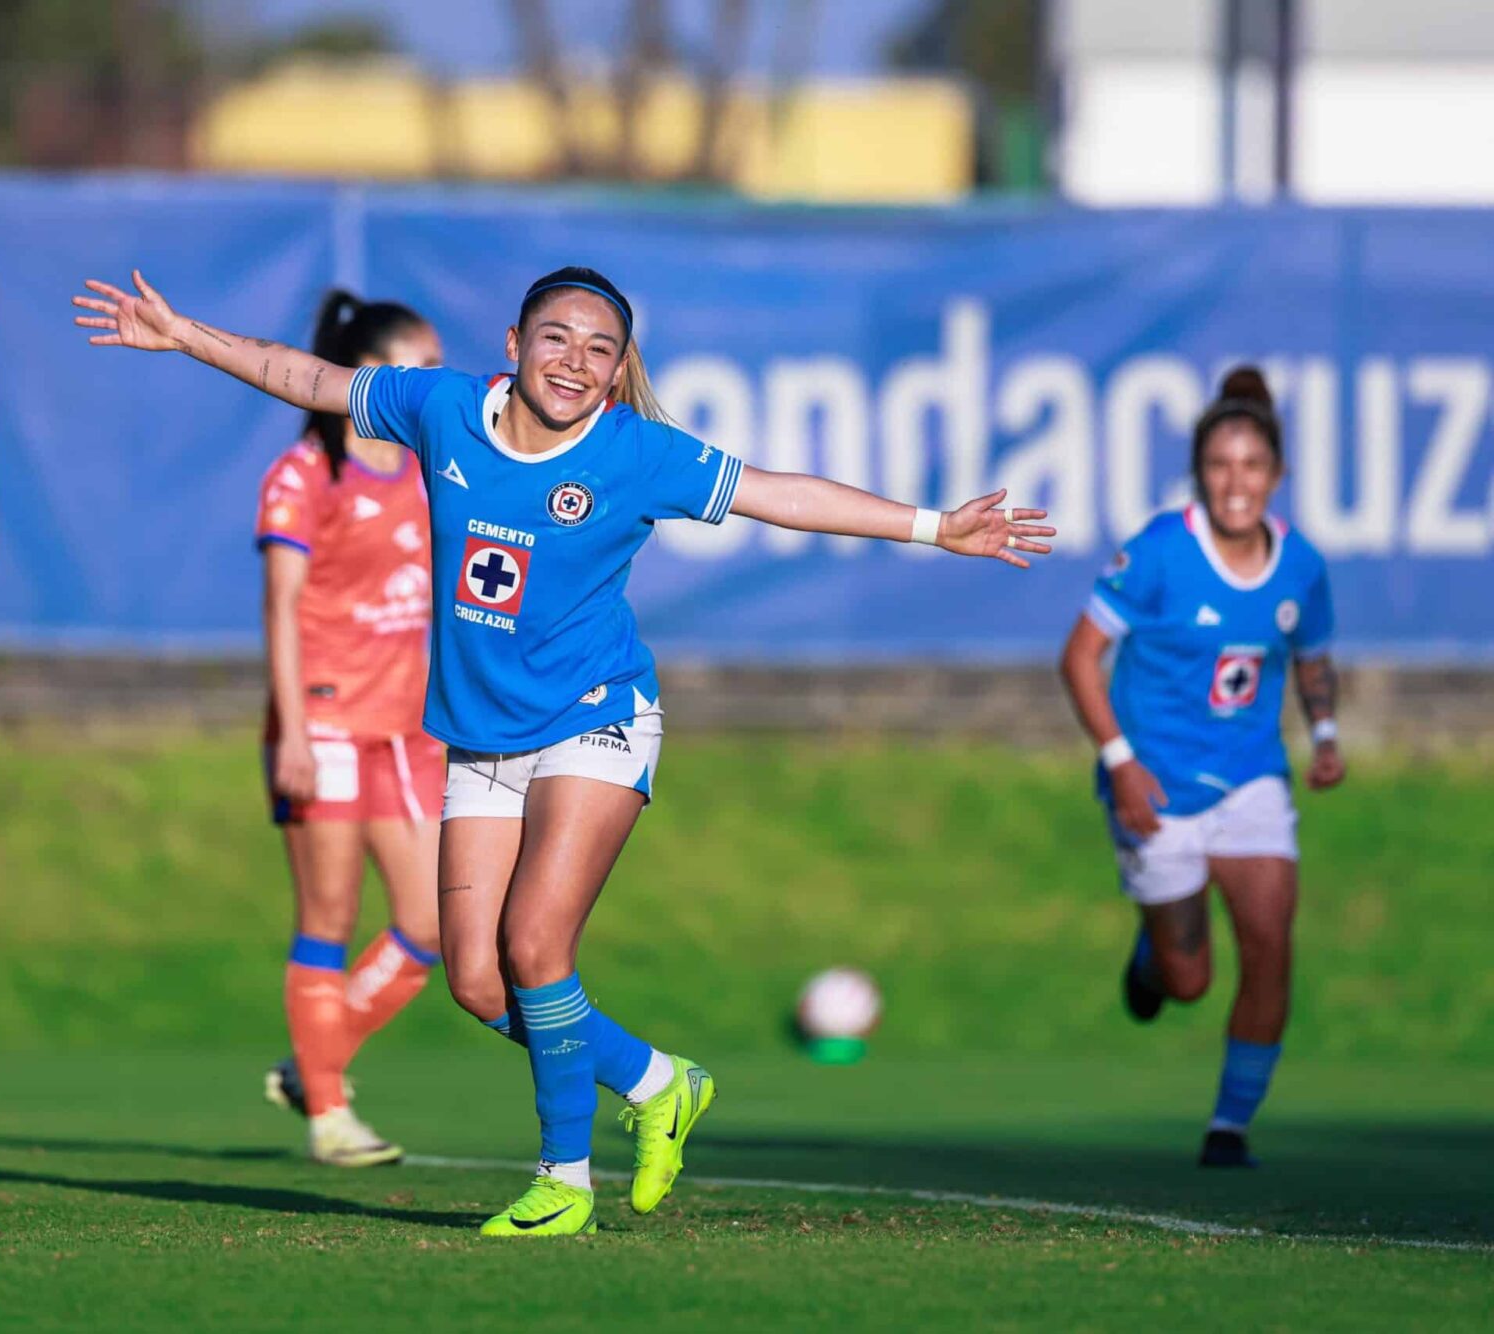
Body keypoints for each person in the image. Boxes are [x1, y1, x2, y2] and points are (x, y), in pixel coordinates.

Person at [73, 263, 1052, 1237]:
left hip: (597, 716)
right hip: (481, 736)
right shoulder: (442, 407)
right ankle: (656, 1080)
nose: (574, 360)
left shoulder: (635, 453)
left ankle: (563, 1178)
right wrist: (185, 334)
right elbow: (308, 379)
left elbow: (777, 494)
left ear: (619, 369)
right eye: (556, 337)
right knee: (474, 979)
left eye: (598, 347)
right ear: (512, 343)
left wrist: (934, 527)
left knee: (536, 944)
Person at [1059, 366, 1342, 1169]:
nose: (1236, 483)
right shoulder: (1158, 553)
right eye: (1221, 465)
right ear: (1199, 473)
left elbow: (1312, 656)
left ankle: (1228, 1128)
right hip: (1157, 785)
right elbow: (1080, 658)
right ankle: (1154, 962)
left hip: (1253, 778)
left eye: (1252, 466)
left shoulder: (1301, 567)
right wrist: (1118, 763)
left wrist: (1324, 732)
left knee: (1271, 946)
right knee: (1188, 980)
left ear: (1276, 477)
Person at [256, 290, 446, 1167]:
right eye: (426, 367)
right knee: (328, 915)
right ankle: (330, 1115)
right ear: (373, 376)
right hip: (326, 725)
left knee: (433, 922)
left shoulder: (424, 466)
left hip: (406, 731)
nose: (442, 385)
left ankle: (313, 1060)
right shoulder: (306, 473)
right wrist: (292, 731)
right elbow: (283, 608)